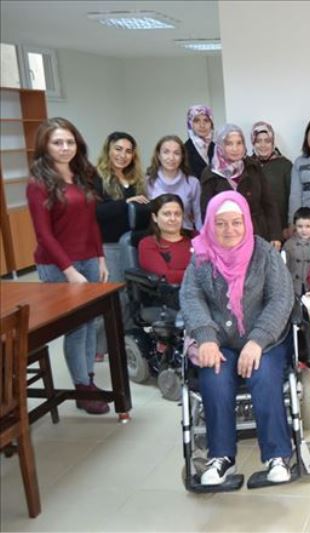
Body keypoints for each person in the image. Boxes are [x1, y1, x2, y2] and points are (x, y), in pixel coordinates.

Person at [179, 191, 294, 486]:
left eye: (236, 222)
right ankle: (221, 457)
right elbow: (191, 297)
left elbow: (281, 299)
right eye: (220, 223)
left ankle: (277, 456)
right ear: (209, 224)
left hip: (264, 341)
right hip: (220, 341)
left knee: (264, 375)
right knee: (215, 376)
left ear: (246, 223)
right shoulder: (201, 256)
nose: (229, 230)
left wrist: (257, 341)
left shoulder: (264, 253)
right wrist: (205, 337)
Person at [26, 117, 110, 415]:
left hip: (89, 260)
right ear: (45, 146)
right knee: (76, 327)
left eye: (69, 142)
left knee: (89, 324)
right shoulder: (38, 184)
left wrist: (100, 257)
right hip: (58, 265)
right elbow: (44, 235)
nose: (65, 147)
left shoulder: (83, 175)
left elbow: (91, 222)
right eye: (57, 142)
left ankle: (87, 380)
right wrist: (69, 271)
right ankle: (82, 388)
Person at [94, 131, 149, 361]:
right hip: (110, 246)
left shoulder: (136, 179)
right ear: (108, 150)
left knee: (131, 295)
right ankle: (99, 347)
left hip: (132, 245)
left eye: (128, 151)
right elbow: (97, 211)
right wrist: (125, 203)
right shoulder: (97, 178)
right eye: (118, 149)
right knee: (112, 296)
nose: (122, 155)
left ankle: (124, 341)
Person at [199, 124, 283, 248]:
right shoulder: (210, 173)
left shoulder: (253, 167)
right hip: (227, 237)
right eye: (229, 144)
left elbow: (269, 203)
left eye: (239, 143)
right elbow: (206, 213)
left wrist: (275, 235)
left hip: (257, 234)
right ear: (220, 146)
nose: (235, 148)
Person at [145, 135, 202, 231]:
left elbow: (198, 216)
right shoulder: (148, 182)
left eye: (176, 153)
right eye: (166, 152)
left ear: (182, 157)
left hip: (185, 234)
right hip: (156, 235)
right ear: (158, 155)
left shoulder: (193, 183)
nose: (171, 158)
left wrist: (201, 238)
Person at [249, 121, 292, 239]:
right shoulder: (247, 165)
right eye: (258, 141)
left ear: (272, 142)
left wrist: (289, 225)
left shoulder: (285, 165)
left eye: (267, 141)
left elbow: (291, 197)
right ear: (253, 142)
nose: (263, 145)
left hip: (280, 226)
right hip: (255, 228)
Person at [138, 193, 194, 284]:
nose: (173, 218)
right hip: (175, 291)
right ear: (155, 217)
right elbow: (167, 276)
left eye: (177, 214)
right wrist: (201, 275)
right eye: (167, 214)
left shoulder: (195, 237)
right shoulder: (148, 244)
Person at [283, 207, 310, 296]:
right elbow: (284, 266)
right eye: (300, 226)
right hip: (294, 287)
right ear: (295, 226)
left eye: (308, 226)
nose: (304, 230)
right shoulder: (289, 244)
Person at [185, 104, 215, 179]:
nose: (202, 125)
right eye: (196, 121)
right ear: (190, 124)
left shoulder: (217, 149)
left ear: (211, 124)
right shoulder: (183, 150)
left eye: (206, 120)